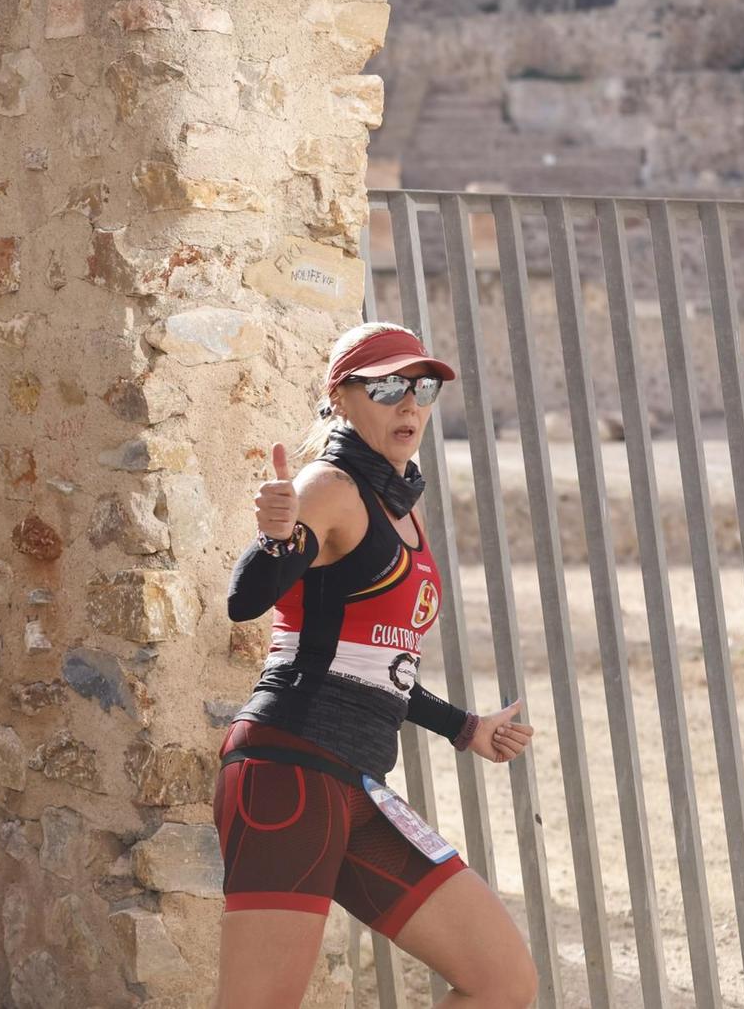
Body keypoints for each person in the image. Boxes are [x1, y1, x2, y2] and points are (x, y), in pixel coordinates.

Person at [218, 322, 539, 1008]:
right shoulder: (328, 485)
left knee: (502, 982)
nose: (410, 404)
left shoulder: (401, 511)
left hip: (355, 783)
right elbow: (246, 600)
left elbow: (375, 664)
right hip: (287, 773)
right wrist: (275, 540)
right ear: (340, 397)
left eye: (421, 387)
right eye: (388, 386)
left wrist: (465, 727)